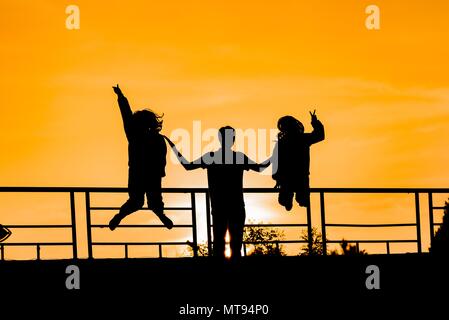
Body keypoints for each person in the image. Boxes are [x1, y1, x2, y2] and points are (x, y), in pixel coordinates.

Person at [164, 126, 269, 259]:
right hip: (236, 206)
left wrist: (173, 146)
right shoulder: (238, 157)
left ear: (220, 139)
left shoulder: (212, 157)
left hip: (219, 206)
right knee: (235, 246)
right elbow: (260, 168)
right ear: (233, 139)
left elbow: (187, 165)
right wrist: (277, 153)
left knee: (219, 245)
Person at [108, 84, 173, 231]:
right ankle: (159, 214)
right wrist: (121, 97)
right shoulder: (155, 138)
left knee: (136, 201)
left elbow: (126, 116)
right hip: (151, 175)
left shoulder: (134, 136)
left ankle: (120, 216)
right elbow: (162, 158)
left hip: (138, 173)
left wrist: (121, 97)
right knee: (153, 201)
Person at [271, 110, 325, 211]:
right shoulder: (302, 139)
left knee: (296, 199)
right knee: (299, 199)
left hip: (291, 178)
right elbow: (319, 135)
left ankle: (292, 201)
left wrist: (277, 178)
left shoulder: (283, 142)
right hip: (298, 177)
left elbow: (276, 161)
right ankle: (295, 200)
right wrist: (315, 122)